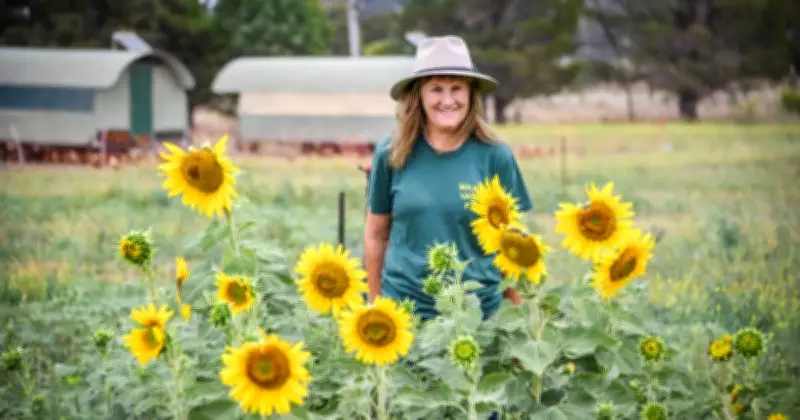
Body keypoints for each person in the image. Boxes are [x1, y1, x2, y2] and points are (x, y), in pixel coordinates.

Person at [364, 35, 532, 322]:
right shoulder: (390, 153)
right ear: (418, 95)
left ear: (470, 95)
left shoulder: (495, 156)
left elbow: (512, 245)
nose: (447, 100)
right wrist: (376, 306)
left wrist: (518, 318)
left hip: (479, 315)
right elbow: (376, 235)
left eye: (457, 88)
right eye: (436, 89)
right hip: (406, 313)